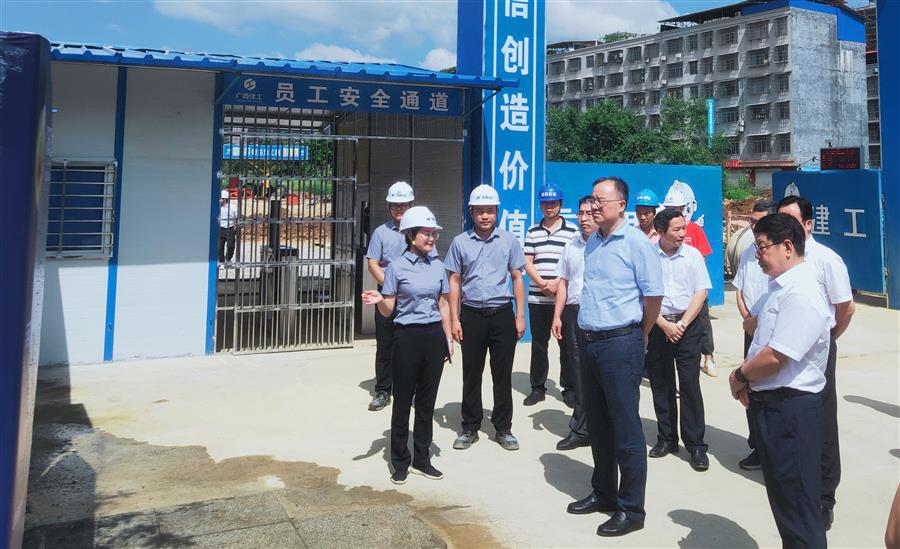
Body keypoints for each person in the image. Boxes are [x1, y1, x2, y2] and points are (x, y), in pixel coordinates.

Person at [566, 177, 663, 538]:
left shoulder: (636, 243)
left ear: (621, 204)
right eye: (592, 200)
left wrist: (642, 332)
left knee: (626, 428)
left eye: (600, 201)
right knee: (599, 425)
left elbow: (653, 296)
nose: (593, 206)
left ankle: (631, 508)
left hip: (621, 342)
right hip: (590, 341)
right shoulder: (593, 241)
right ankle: (603, 492)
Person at [728, 212, 831, 547]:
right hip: (773, 407)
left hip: (791, 412)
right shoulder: (779, 287)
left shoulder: (802, 292)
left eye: (762, 247)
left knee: (799, 509)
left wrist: (739, 376)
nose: (757, 255)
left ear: (787, 247)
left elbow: (777, 356)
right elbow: (762, 342)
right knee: (787, 505)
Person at [777, 195, 855, 531]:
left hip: (817, 351)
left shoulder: (826, 260)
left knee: (821, 420)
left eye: (791, 219)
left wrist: (827, 339)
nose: (785, 226)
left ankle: (824, 496)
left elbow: (845, 308)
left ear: (809, 225)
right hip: (782, 348)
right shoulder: (777, 256)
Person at [361, 206, 453, 485]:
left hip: (433, 338)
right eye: (426, 233)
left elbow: (443, 304)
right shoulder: (397, 267)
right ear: (412, 235)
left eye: (434, 233)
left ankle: (422, 459)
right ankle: (400, 461)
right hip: (406, 337)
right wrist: (380, 300)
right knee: (402, 401)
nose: (431, 238)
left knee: (426, 402)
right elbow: (389, 309)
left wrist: (448, 339)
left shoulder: (438, 266)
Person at [445, 184, 526, 451]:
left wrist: (520, 316)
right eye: (479, 211)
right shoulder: (460, 242)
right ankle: (470, 427)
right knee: (471, 373)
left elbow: (517, 278)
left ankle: (503, 428)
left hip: (502, 314)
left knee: (502, 375)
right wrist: (455, 319)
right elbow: (454, 280)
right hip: (471, 316)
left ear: (497, 212)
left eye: (490, 211)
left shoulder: (509, 241)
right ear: (471, 212)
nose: (485, 216)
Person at [645, 208, 712, 471]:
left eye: (683, 228)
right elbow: (642, 293)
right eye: (677, 229)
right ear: (661, 231)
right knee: (661, 383)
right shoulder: (649, 255)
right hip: (657, 325)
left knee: (689, 384)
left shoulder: (692, 256)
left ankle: (696, 445)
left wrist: (682, 324)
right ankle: (667, 439)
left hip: (688, 326)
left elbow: (701, 292)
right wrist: (662, 323)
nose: (683, 233)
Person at [523, 182, 578, 407]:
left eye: (553, 203)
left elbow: (574, 263)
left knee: (567, 346)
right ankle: (537, 388)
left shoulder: (573, 231)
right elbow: (527, 262)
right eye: (545, 203)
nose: (549, 207)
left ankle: (569, 388)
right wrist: (542, 284)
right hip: (537, 298)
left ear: (560, 204)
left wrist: (556, 283)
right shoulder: (532, 231)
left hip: (563, 299)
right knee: (539, 344)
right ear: (540, 205)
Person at [364, 181, 418, 412]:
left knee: (412, 346)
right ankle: (383, 390)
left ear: (411, 205)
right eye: (395, 205)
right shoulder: (381, 233)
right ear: (388, 207)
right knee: (385, 344)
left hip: (413, 298)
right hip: (386, 297)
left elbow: (429, 262)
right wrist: (390, 287)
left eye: (403, 205)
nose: (399, 209)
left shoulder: (420, 231)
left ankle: (410, 389)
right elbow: (372, 264)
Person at [733, 199, 777, 471]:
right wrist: (748, 320)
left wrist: (759, 322)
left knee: (773, 390)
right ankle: (757, 447)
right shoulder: (750, 251)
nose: (752, 226)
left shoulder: (780, 253)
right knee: (750, 389)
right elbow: (739, 289)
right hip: (751, 329)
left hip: (773, 331)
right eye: (751, 221)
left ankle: (773, 449)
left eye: (758, 221)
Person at [551, 195, 597, 450]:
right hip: (574, 313)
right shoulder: (571, 246)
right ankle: (581, 429)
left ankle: (603, 426)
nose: (584, 218)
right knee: (578, 372)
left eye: (589, 213)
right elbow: (564, 283)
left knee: (602, 373)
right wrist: (557, 315)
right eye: (580, 213)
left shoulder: (608, 244)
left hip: (602, 316)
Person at [663, 189, 717, 377]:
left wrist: (698, 287)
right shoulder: (661, 232)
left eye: (676, 208)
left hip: (693, 289)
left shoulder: (693, 229)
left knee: (703, 322)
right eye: (669, 208)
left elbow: (702, 258)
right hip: (671, 296)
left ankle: (708, 358)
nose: (673, 211)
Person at [218, 189, 237, 263]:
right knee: (220, 247)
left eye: (221, 198)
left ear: (225, 199)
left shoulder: (232, 207)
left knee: (231, 246)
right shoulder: (217, 207)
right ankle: (221, 261)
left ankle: (228, 258)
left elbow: (237, 215)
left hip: (230, 228)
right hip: (220, 229)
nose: (219, 200)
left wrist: (236, 224)